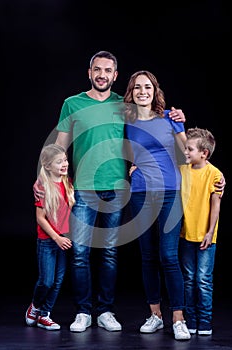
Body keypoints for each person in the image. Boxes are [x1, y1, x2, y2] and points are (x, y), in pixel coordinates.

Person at [33, 51, 188, 333]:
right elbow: (58, 147)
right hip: (82, 189)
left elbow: (150, 120)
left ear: (115, 76)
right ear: (89, 72)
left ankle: (105, 310)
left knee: (109, 254)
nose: (102, 74)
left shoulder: (123, 106)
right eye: (97, 69)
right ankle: (83, 311)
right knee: (80, 253)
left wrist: (174, 116)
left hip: (118, 189)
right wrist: (44, 178)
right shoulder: (72, 104)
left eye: (108, 70)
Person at [124, 70, 192, 340]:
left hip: (169, 192)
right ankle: (155, 315)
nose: (143, 91)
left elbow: (189, 154)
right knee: (148, 257)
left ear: (155, 91)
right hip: (141, 192)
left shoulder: (169, 119)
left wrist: (215, 175)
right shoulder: (126, 122)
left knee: (169, 256)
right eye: (138, 87)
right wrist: (133, 165)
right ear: (131, 92)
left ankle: (178, 318)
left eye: (148, 87)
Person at [25, 144, 75, 331]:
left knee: (58, 280)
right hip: (48, 240)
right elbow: (40, 218)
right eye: (59, 161)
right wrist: (57, 238)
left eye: (65, 159)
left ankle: (45, 315)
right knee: (47, 280)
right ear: (47, 165)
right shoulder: (43, 186)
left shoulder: (67, 182)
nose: (64, 164)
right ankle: (35, 307)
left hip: (63, 239)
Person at [179, 127, 222, 336]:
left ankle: (205, 321)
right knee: (188, 279)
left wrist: (209, 232)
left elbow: (215, 205)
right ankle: (191, 320)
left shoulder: (214, 174)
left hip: (206, 236)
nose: (185, 152)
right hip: (185, 234)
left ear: (203, 153)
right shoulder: (182, 169)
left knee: (203, 280)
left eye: (190, 149)